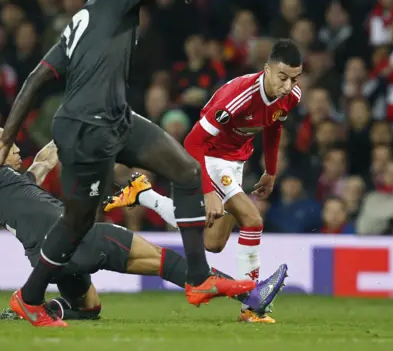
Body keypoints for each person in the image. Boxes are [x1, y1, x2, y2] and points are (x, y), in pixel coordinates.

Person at [0, 0, 256, 327]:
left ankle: (198, 278)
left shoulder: (82, 25)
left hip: (115, 117)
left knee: (187, 171)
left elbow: (34, 79)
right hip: (86, 126)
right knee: (77, 223)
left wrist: (9, 137)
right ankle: (29, 298)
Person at [0, 123, 286, 325]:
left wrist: (75, 125)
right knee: (169, 263)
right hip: (82, 236)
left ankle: (40, 308)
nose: (17, 146)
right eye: (8, 142)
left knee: (89, 311)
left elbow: (45, 159)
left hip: (48, 256)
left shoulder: (9, 181)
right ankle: (249, 294)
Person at [105, 39, 302, 322]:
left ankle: (144, 195)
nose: (287, 85)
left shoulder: (291, 95)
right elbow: (193, 142)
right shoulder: (240, 96)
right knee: (252, 220)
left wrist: (270, 170)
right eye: (282, 77)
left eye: (294, 78)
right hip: (210, 156)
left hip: (236, 161)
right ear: (266, 69)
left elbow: (274, 125)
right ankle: (251, 305)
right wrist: (208, 190)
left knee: (213, 242)